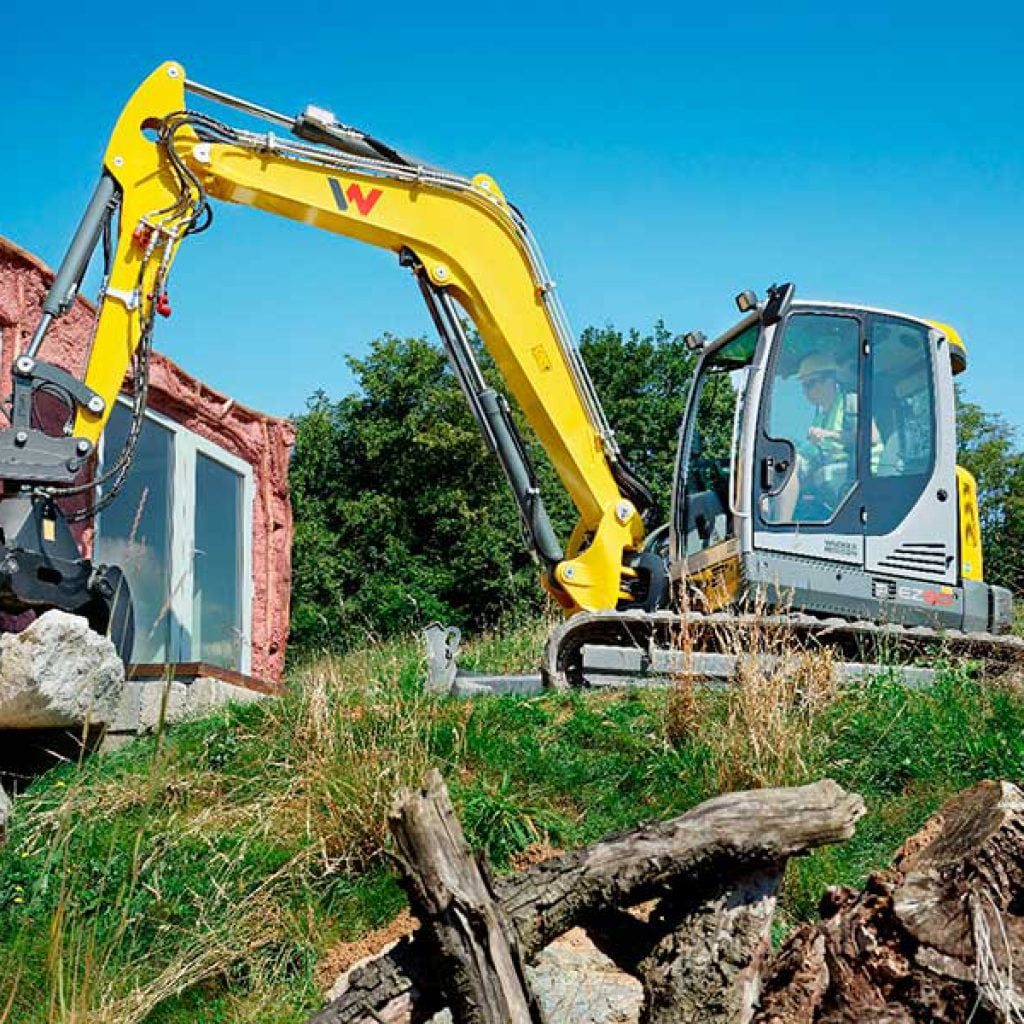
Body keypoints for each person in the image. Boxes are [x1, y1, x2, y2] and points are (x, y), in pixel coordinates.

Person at [770, 352, 881, 522]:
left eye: (810, 384)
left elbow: (872, 438)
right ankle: (767, 520)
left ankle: (780, 525)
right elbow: (812, 451)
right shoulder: (821, 416)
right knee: (777, 465)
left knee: (790, 465)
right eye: (803, 386)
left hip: (860, 471)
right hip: (836, 466)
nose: (805, 391)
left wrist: (828, 435)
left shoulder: (852, 403)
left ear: (829, 381)